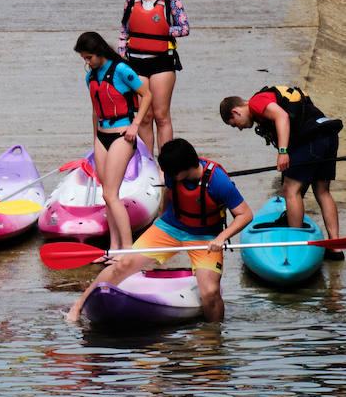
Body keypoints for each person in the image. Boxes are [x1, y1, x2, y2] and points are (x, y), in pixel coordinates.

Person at [66, 139, 252, 324]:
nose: (166, 176)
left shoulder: (219, 181)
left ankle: (214, 337)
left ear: (183, 169)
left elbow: (245, 214)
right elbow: (169, 194)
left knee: (210, 293)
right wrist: (160, 218)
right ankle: (79, 304)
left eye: (169, 172)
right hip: (169, 228)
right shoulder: (174, 175)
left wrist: (222, 237)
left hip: (205, 238)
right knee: (123, 264)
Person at [220, 86, 341, 255]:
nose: (239, 128)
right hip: (328, 134)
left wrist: (282, 152)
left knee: (290, 190)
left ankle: (296, 247)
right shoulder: (266, 102)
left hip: (312, 138)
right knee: (322, 191)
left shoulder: (256, 102)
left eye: (235, 125)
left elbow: (282, 116)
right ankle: (335, 247)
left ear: (236, 111)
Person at [75, 31, 152, 249]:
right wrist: (94, 139)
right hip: (101, 136)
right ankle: (113, 248)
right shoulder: (90, 77)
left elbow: (146, 94)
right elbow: (95, 110)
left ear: (99, 52)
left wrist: (136, 125)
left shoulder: (121, 70)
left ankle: (126, 250)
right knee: (107, 194)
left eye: (89, 58)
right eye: (84, 59)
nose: (87, 63)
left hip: (122, 135)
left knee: (111, 193)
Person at [118, 0, 189, 152]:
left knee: (161, 115)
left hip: (162, 63)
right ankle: (148, 163)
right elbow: (124, 30)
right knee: (144, 116)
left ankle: (166, 165)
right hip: (136, 63)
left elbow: (184, 28)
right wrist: (121, 56)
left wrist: (162, 29)